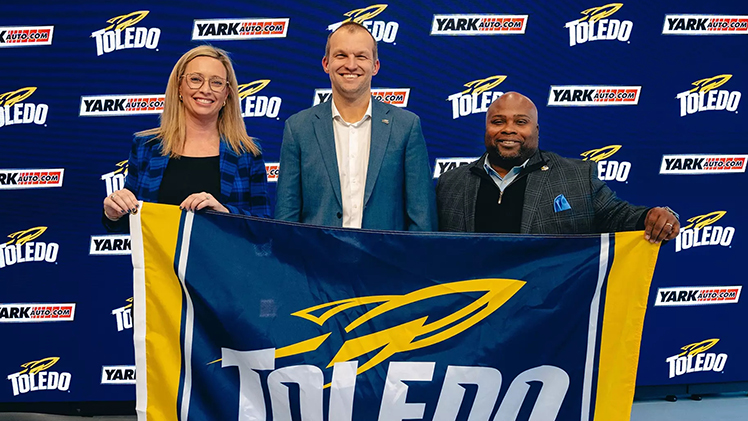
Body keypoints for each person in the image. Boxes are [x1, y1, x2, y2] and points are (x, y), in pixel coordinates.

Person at [436, 91, 680, 243]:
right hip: (474, 314)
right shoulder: (451, 183)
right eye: (498, 121)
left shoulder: (577, 176)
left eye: (521, 122)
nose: (508, 129)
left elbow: (618, 216)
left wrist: (653, 216)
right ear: (486, 128)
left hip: (547, 316)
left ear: (537, 131)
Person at [274, 22, 436, 230]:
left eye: (361, 56)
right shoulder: (298, 128)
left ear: (375, 66)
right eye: (341, 55)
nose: (351, 65)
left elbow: (421, 218)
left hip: (385, 261)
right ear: (326, 63)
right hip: (318, 260)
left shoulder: (406, 126)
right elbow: (286, 218)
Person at [102, 45, 270, 232]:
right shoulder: (146, 146)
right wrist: (113, 213)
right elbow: (131, 221)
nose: (206, 89)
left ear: (226, 94)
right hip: (159, 261)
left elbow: (263, 227)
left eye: (216, 82)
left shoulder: (247, 152)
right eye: (196, 79)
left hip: (223, 261)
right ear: (179, 87)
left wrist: (224, 213)